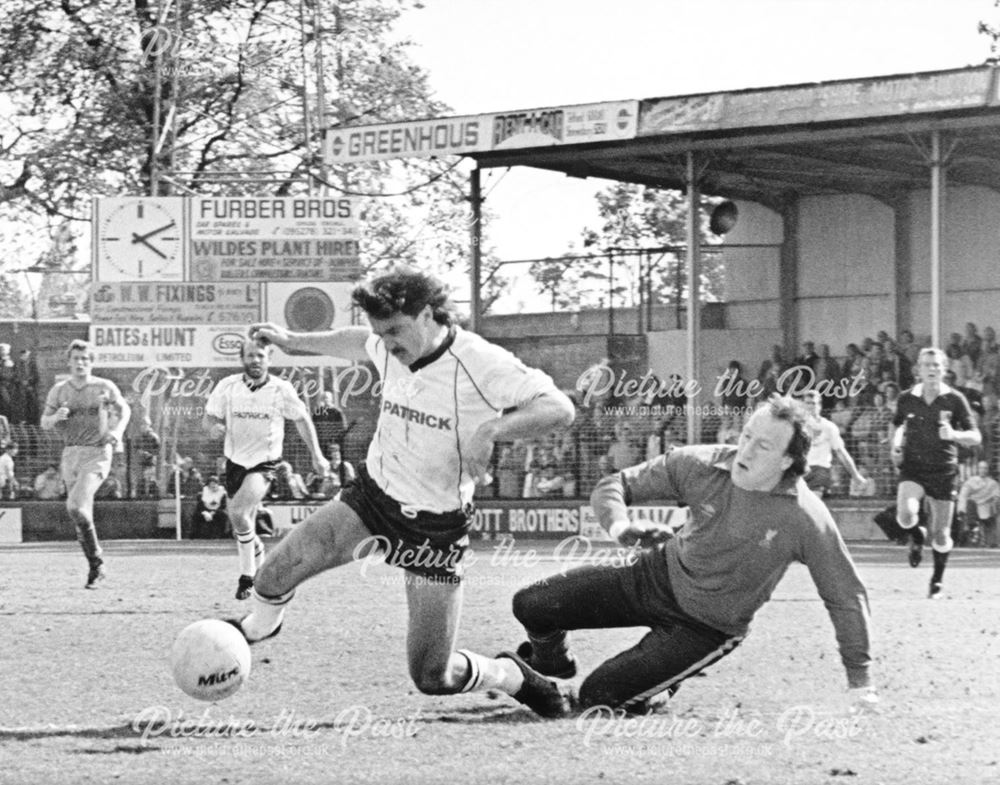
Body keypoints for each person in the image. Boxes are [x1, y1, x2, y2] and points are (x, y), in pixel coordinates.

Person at [229, 266, 576, 717]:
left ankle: (512, 676)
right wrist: (292, 341)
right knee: (269, 578)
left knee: (434, 676)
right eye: (382, 332)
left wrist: (491, 429)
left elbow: (559, 408)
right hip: (370, 500)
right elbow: (358, 341)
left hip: (435, 527)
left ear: (431, 315)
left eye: (395, 330)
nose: (387, 343)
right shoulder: (388, 343)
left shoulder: (480, 361)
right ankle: (248, 634)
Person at [505, 395, 876, 716]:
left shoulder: (805, 517)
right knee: (531, 603)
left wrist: (860, 683)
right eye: (746, 435)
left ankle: (662, 686)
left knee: (597, 698)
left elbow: (845, 596)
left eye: (763, 446)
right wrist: (621, 527)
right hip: (652, 575)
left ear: (786, 461)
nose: (745, 450)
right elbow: (614, 484)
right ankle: (554, 660)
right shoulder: (701, 464)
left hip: (704, 629)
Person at [203, 337, 329, 600]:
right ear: (242, 360)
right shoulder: (228, 386)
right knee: (241, 521)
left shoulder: (281, 390)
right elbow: (209, 416)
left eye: (261, 355)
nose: (256, 360)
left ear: (269, 359)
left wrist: (317, 455)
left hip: (265, 464)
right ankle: (259, 555)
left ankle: (248, 577)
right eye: (250, 356)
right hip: (235, 462)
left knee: (237, 512)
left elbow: (303, 420)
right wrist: (213, 427)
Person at [891, 347, 981, 598]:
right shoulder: (906, 398)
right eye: (926, 365)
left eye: (936, 365)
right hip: (914, 468)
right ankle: (916, 535)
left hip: (943, 471)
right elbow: (897, 425)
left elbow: (976, 436)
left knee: (941, 534)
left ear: (943, 370)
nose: (931, 369)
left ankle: (937, 580)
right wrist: (894, 448)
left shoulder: (955, 399)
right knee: (905, 516)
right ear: (918, 369)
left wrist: (954, 434)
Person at [40, 339, 131, 589]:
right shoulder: (59, 390)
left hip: (98, 453)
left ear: (91, 362)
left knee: (76, 506)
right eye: (76, 359)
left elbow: (125, 411)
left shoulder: (104, 386)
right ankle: (96, 565)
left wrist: (117, 432)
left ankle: (96, 559)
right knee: (81, 514)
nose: (81, 363)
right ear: (69, 361)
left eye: (85, 359)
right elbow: (44, 422)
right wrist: (55, 417)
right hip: (70, 455)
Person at [801, 390, 866, 498]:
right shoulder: (796, 426)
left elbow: (841, 452)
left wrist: (856, 476)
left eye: (814, 403)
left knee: (812, 503)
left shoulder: (829, 427)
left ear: (820, 405)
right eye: (808, 403)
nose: (811, 406)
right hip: (800, 470)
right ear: (803, 405)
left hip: (819, 470)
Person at [956, 460, 1000, 548]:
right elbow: (963, 495)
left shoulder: (993, 483)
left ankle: (990, 541)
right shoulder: (970, 481)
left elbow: (997, 496)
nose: (983, 470)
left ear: (988, 470)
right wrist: (961, 508)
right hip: (972, 508)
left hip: (987, 508)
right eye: (981, 468)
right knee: (969, 503)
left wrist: (992, 503)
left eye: (985, 468)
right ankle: (973, 528)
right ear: (977, 469)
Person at [194, 475, 229, 539]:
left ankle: (223, 536)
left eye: (215, 483)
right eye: (211, 484)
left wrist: (212, 513)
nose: (213, 486)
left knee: (223, 515)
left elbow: (223, 506)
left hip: (218, 512)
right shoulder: (202, 494)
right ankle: (196, 536)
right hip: (205, 512)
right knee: (196, 515)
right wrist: (205, 513)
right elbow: (200, 507)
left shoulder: (223, 494)